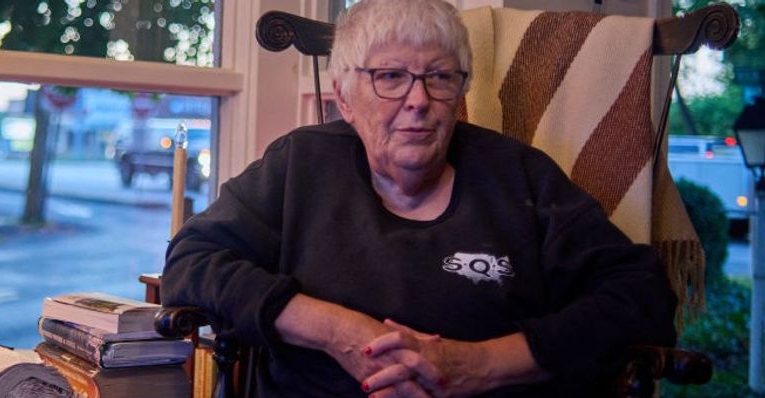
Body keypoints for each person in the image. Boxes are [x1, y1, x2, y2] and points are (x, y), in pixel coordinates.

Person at [160, 0, 678, 396]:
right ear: (344, 96)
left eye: (439, 77)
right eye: (390, 77)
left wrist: (478, 365)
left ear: (460, 91)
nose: (418, 101)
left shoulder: (519, 176)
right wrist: (339, 331)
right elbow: (192, 261)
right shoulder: (301, 165)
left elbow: (641, 294)